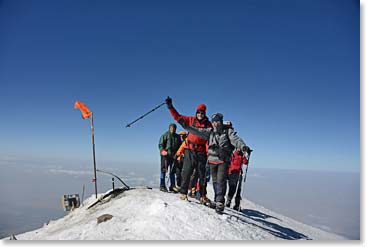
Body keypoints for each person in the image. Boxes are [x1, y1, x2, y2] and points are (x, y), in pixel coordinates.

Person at [177, 112, 249, 213]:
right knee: (215, 181)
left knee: (221, 180)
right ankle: (217, 200)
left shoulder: (227, 131)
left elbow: (235, 139)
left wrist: (243, 146)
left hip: (223, 160)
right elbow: (197, 131)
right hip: (211, 160)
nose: (215, 123)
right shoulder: (210, 131)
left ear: (221, 121)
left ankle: (220, 202)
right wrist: (185, 125)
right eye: (214, 121)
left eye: (217, 121)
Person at [165, 97, 212, 202]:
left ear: (204, 113)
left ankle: (202, 195)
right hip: (189, 150)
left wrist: (208, 152)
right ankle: (183, 193)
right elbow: (177, 117)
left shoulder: (208, 125)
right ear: (196, 112)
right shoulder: (191, 120)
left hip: (201, 152)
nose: (200, 114)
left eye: (202, 112)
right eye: (198, 112)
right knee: (186, 172)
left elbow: (209, 139)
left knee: (202, 174)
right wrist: (170, 107)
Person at [158, 123, 182, 192]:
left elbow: (180, 146)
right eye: (171, 128)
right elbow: (160, 144)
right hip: (165, 156)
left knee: (172, 171)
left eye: (174, 128)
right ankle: (162, 185)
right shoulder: (165, 135)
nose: (172, 129)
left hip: (174, 156)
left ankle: (172, 186)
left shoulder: (177, 137)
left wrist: (179, 154)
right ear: (169, 128)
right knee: (163, 170)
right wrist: (162, 150)